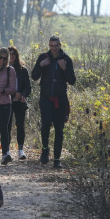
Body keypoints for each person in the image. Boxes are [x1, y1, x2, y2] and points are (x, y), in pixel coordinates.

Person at [31, 36, 76, 169]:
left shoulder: (66, 59)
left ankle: (57, 159)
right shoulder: (43, 57)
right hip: (45, 98)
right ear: (49, 46)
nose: (54, 48)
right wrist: (40, 66)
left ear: (60, 45)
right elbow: (34, 76)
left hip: (61, 99)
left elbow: (72, 80)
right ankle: (45, 150)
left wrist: (64, 69)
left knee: (59, 129)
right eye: (52, 46)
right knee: (45, 125)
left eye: (56, 45)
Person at [7, 46, 31, 160]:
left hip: (20, 103)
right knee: (6, 127)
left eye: (13, 54)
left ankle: (20, 150)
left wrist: (23, 95)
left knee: (20, 126)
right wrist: (12, 94)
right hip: (7, 102)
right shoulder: (3, 70)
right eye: (9, 54)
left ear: (17, 55)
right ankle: (6, 151)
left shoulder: (23, 70)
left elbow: (28, 86)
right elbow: (2, 87)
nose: (11, 56)